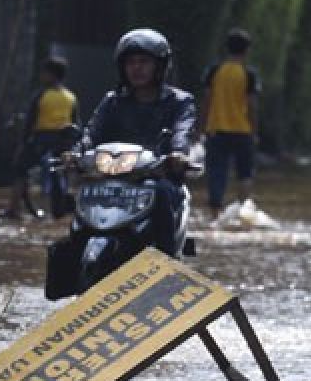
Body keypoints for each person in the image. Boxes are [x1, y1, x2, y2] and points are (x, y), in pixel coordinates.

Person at [81, 28, 194, 256]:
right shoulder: (112, 102)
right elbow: (91, 132)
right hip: (113, 179)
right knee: (84, 194)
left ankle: (166, 265)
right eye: (131, 62)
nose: (137, 68)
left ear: (159, 66)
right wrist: (76, 152)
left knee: (160, 190)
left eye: (144, 62)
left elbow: (182, 132)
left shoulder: (180, 102)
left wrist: (178, 155)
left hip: (158, 178)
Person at [0, 56, 80, 219]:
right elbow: (75, 121)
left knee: (20, 169)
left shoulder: (41, 95)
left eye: (44, 73)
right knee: (61, 172)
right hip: (64, 141)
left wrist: (22, 144)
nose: (42, 76)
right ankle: (60, 210)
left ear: (51, 75)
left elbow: (30, 121)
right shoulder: (71, 97)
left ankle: (13, 208)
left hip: (41, 139)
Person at [200, 28, 260, 220]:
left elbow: (207, 100)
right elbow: (251, 104)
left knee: (217, 173)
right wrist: (254, 129)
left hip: (216, 129)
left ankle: (215, 215)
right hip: (242, 130)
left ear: (227, 48)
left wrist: (200, 126)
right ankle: (244, 213)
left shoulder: (214, 71)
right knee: (245, 174)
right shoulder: (248, 74)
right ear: (246, 50)